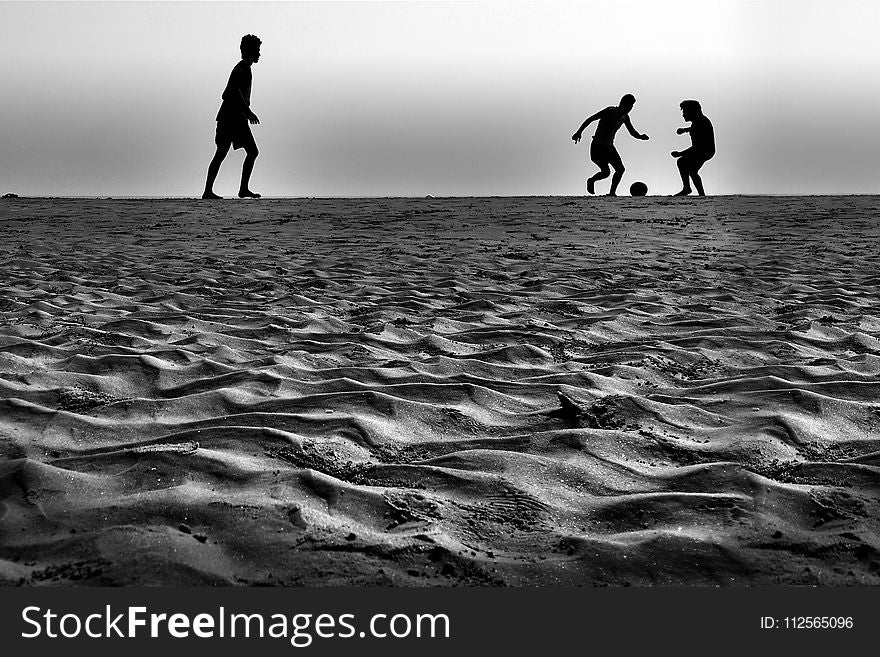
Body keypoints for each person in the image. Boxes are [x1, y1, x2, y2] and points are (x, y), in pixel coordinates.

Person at [203, 34, 262, 199]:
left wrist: (246, 112)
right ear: (250, 51)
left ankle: (242, 189)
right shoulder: (241, 69)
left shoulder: (246, 68)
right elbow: (230, 93)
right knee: (224, 152)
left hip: (238, 118)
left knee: (249, 152)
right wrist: (248, 111)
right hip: (230, 118)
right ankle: (209, 191)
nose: (259, 54)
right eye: (257, 50)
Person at [571, 94, 649, 196]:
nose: (630, 109)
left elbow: (632, 131)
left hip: (609, 147)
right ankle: (591, 180)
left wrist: (641, 136)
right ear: (623, 104)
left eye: (632, 107)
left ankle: (612, 193)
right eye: (629, 106)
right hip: (597, 146)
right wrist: (579, 132)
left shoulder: (625, 117)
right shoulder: (610, 111)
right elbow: (591, 119)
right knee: (606, 172)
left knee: (620, 170)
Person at [672, 100, 715, 196]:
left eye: (685, 112)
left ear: (692, 112)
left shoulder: (700, 123)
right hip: (702, 150)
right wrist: (685, 130)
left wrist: (680, 153)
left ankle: (699, 193)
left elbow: (697, 148)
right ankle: (687, 188)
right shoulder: (698, 121)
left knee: (690, 168)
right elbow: (694, 129)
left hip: (705, 151)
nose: (683, 115)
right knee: (684, 163)